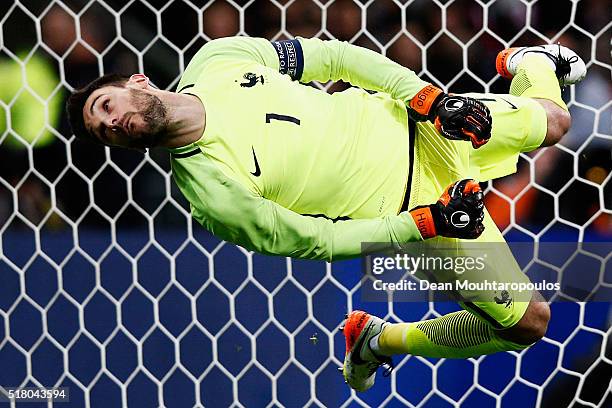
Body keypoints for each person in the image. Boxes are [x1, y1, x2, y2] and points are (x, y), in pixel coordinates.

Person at [65, 37, 586, 392]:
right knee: (528, 323)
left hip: (415, 123)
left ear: (136, 82)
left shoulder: (219, 59)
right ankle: (379, 340)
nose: (115, 123)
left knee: (554, 121)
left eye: (107, 106)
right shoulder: (210, 194)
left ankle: (529, 63)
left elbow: (337, 59)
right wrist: (423, 224)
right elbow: (313, 240)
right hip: (420, 214)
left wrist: (429, 100)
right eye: (103, 132)